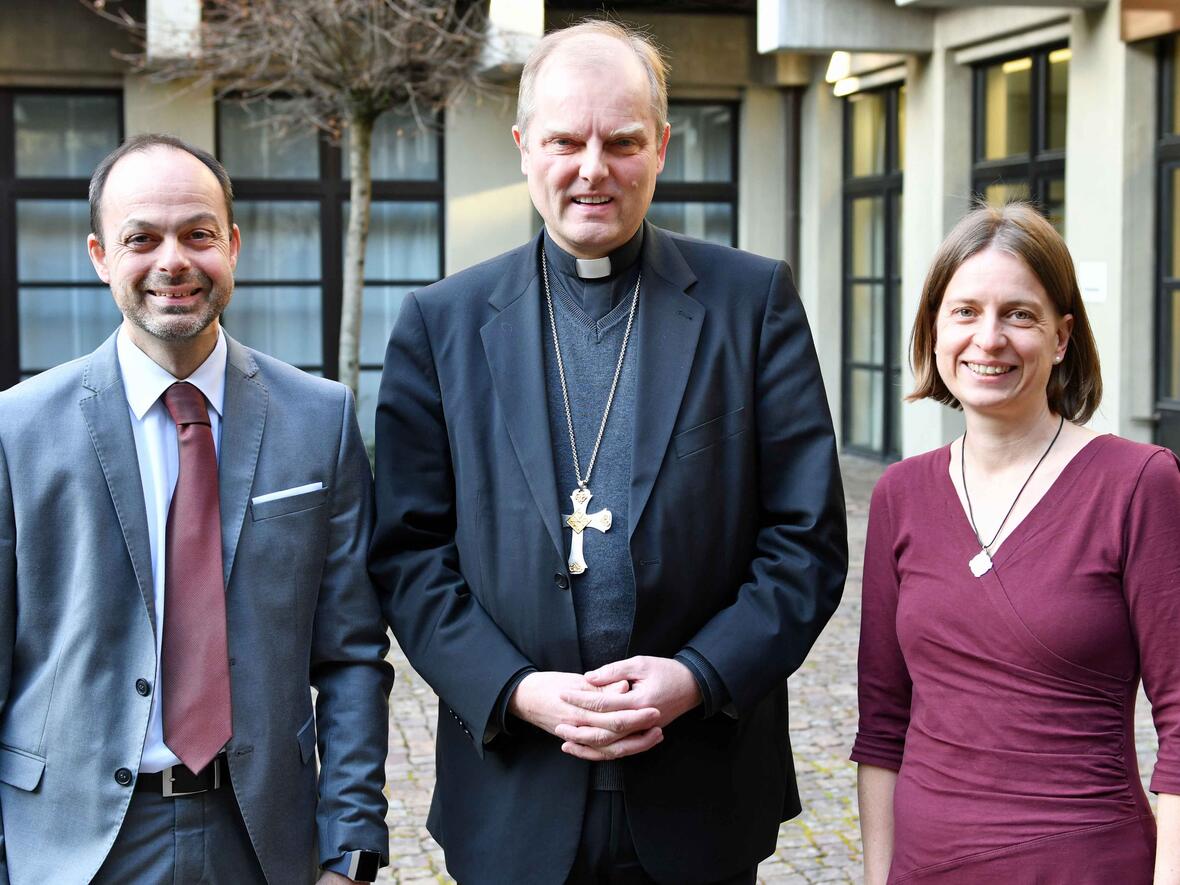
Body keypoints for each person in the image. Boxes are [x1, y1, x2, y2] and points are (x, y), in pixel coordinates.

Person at [369, 19, 847, 885]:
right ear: (523, 147)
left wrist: (697, 674)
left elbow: (803, 540)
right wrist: (516, 688)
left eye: (622, 141)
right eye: (565, 140)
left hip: (698, 782)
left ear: (660, 146)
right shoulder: (440, 326)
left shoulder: (753, 304)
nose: (593, 168)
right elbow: (408, 553)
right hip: (512, 787)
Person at [0, 134, 393, 885]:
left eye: (197, 233)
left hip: (259, 840)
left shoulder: (320, 419)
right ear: (99, 255)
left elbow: (350, 657)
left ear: (233, 245)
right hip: (70, 848)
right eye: (141, 238)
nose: (172, 260)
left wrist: (348, 851)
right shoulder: (16, 430)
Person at [853, 202, 1180, 883]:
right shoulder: (900, 495)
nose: (989, 338)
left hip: (1088, 865)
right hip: (926, 865)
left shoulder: (1138, 482)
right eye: (965, 311)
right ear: (934, 331)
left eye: (1019, 314)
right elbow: (883, 722)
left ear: (1062, 336)